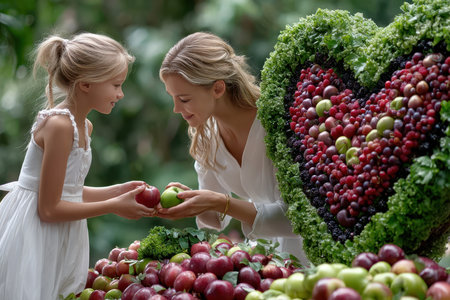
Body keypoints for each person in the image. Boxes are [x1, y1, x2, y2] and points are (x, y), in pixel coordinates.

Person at [0, 32, 155, 300]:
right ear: (85, 84)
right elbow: (48, 208)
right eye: (116, 85)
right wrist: (114, 206)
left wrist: (117, 191)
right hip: (36, 231)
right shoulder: (60, 126)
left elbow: (69, 191)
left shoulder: (84, 124)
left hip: (59, 230)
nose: (120, 94)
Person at [157, 32, 309, 265]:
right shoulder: (206, 135)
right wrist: (192, 200)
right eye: (173, 98)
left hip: (312, 258)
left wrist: (221, 203)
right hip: (267, 265)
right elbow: (214, 220)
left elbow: (299, 218)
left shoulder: (279, 123)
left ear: (218, 89)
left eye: (184, 99)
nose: (176, 109)